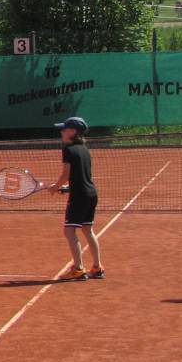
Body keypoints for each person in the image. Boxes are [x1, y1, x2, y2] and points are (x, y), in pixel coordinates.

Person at [50, 115, 104, 280]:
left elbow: (66, 175)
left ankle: (79, 269)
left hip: (79, 197)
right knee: (87, 230)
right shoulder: (85, 149)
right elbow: (81, 176)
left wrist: (56, 187)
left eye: (64, 129)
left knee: (69, 231)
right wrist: (68, 188)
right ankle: (97, 268)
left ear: (73, 131)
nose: (61, 132)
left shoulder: (67, 149)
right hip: (90, 194)